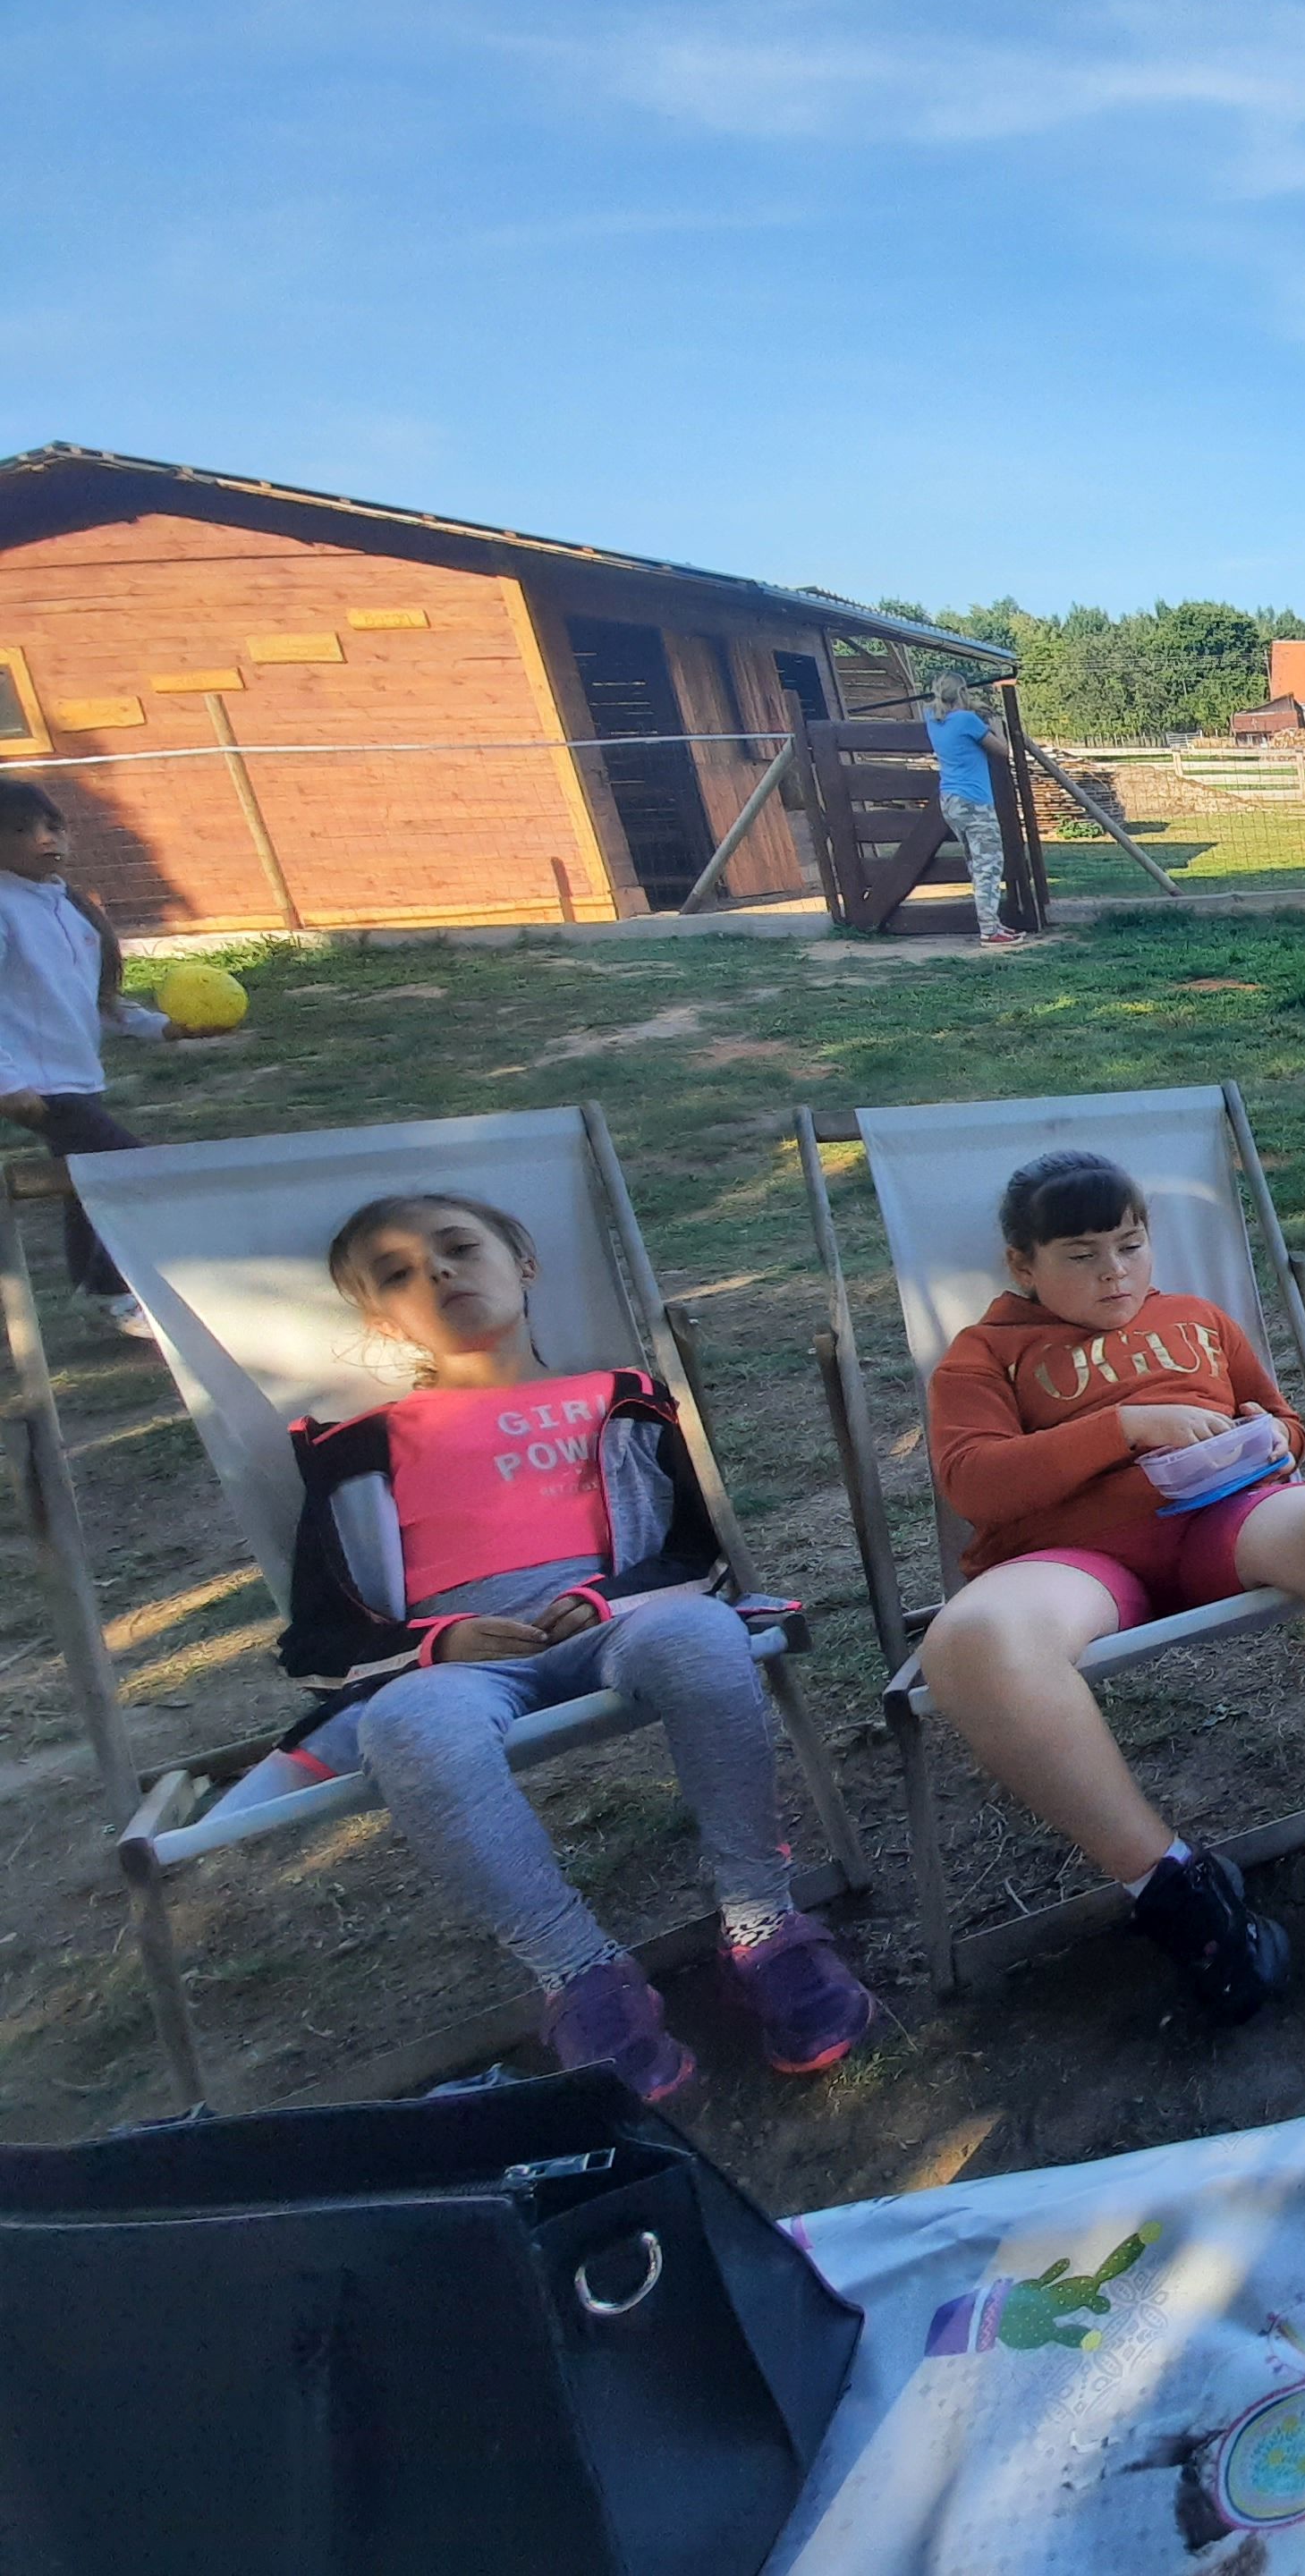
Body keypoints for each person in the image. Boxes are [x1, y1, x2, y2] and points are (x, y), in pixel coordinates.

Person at [213, 1192, 880, 2100]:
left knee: (702, 1634)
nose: (438, 1271)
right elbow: (322, 1636)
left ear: (523, 1263)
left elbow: (699, 1551)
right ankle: (580, 1975)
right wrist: (440, 1641)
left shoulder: (621, 1399)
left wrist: (604, 1596)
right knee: (404, 1727)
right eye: (398, 1274)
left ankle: (761, 1920)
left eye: (458, 1247)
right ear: (382, 1320)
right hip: (458, 1665)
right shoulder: (356, 1447)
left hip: (621, 1621)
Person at [918, 1149, 1305, 2020]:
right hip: (1079, 1563)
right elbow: (975, 1483)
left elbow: (1284, 1420)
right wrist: (1124, 1425)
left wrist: (1271, 1434)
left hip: (1221, 1525)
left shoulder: (1197, 1320)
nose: (1115, 1271)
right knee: (969, 1643)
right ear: (1022, 1266)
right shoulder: (984, 1356)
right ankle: (1174, 1889)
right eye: (1081, 1255)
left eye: (1130, 1244)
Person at [0, 778, 203, 1342]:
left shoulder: (70, 907)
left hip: (76, 1078)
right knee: (130, 1170)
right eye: (20, 830)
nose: (45, 839)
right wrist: (7, 1081)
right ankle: (112, 1291)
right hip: (35, 1084)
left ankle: (96, 1295)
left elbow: (97, 1000)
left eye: (53, 826)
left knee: (84, 1180)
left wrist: (162, 1027)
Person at [923, 670, 1021, 949]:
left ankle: (992, 922)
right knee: (988, 865)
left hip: (950, 800)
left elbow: (938, 709)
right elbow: (1001, 750)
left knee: (975, 862)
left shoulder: (932, 718)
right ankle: (989, 930)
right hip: (975, 800)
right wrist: (995, 725)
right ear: (962, 693)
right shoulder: (967, 720)